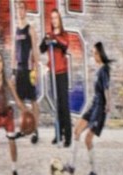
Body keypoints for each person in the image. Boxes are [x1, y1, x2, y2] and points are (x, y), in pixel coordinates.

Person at [64, 42, 113, 175]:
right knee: (77, 130)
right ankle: (71, 165)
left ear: (99, 53)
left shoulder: (104, 70)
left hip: (100, 109)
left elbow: (107, 88)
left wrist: (108, 104)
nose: (93, 55)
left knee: (88, 139)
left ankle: (94, 172)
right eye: (92, 53)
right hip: (93, 106)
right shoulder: (98, 69)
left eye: (94, 53)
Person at [40, 9, 71, 147]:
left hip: (62, 74)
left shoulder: (64, 35)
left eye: (56, 18)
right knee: (56, 105)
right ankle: (58, 133)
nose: (54, 20)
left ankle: (68, 136)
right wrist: (45, 40)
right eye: (52, 18)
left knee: (64, 105)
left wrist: (54, 40)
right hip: (52, 74)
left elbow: (64, 46)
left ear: (59, 20)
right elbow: (41, 49)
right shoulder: (49, 34)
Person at [13, 0, 41, 144]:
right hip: (19, 70)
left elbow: (35, 51)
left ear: (26, 11)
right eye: (18, 8)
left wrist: (36, 71)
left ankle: (35, 130)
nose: (20, 10)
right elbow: (14, 52)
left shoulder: (30, 29)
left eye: (22, 8)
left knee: (33, 100)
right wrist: (13, 72)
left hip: (29, 69)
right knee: (20, 101)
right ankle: (22, 128)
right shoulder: (16, 30)